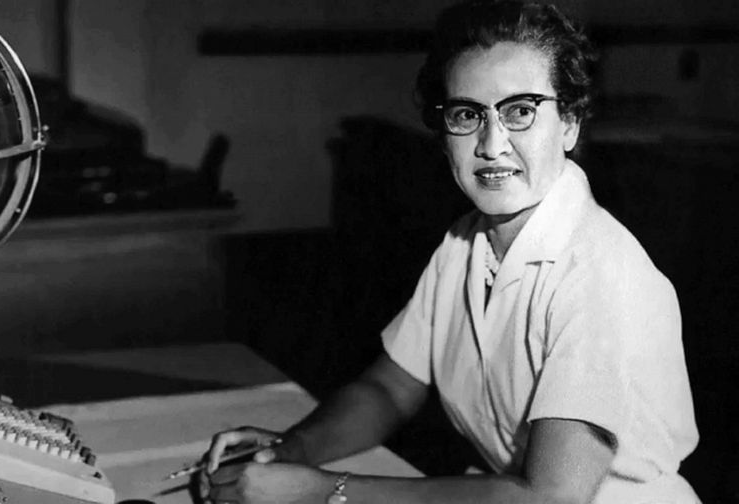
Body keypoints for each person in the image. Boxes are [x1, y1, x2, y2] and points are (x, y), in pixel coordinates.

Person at [198, 1, 701, 503]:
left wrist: (323, 491)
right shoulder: (466, 242)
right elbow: (390, 390)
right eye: (467, 114)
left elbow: (550, 499)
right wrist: (292, 450)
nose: (491, 143)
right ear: (444, 137)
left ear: (569, 123)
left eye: (520, 111)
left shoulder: (601, 275)